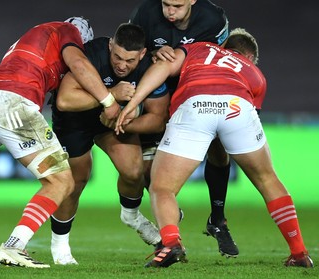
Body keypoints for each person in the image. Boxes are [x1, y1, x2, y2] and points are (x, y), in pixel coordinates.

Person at [0, 17, 122, 269]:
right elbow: (79, 63)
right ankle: (14, 246)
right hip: (11, 104)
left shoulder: (34, 41)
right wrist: (109, 101)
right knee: (61, 180)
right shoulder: (67, 30)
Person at [115, 28, 314, 268]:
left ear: (224, 44)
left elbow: (164, 68)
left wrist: (132, 104)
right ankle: (300, 252)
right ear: (248, 57)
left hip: (196, 103)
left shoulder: (199, 48)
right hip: (236, 106)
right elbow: (249, 117)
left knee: (162, 187)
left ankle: (171, 244)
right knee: (267, 179)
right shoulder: (255, 73)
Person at [48, 23, 170, 265]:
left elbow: (158, 119)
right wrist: (111, 94)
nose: (122, 65)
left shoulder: (149, 67)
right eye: (117, 57)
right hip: (74, 122)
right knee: (75, 180)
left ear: (143, 54)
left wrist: (123, 122)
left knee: (133, 171)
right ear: (110, 45)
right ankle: (60, 247)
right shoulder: (92, 53)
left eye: (130, 61)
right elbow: (64, 100)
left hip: (113, 121)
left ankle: (131, 216)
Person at [130, 0, 238, 257]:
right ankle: (169, 236)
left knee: (219, 151)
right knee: (150, 171)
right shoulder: (145, 13)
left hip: (195, 93)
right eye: (166, 4)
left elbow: (216, 60)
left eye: (177, 5)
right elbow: (133, 51)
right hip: (159, 95)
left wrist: (178, 53)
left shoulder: (213, 19)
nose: (169, 11)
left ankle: (218, 221)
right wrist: (153, 54)